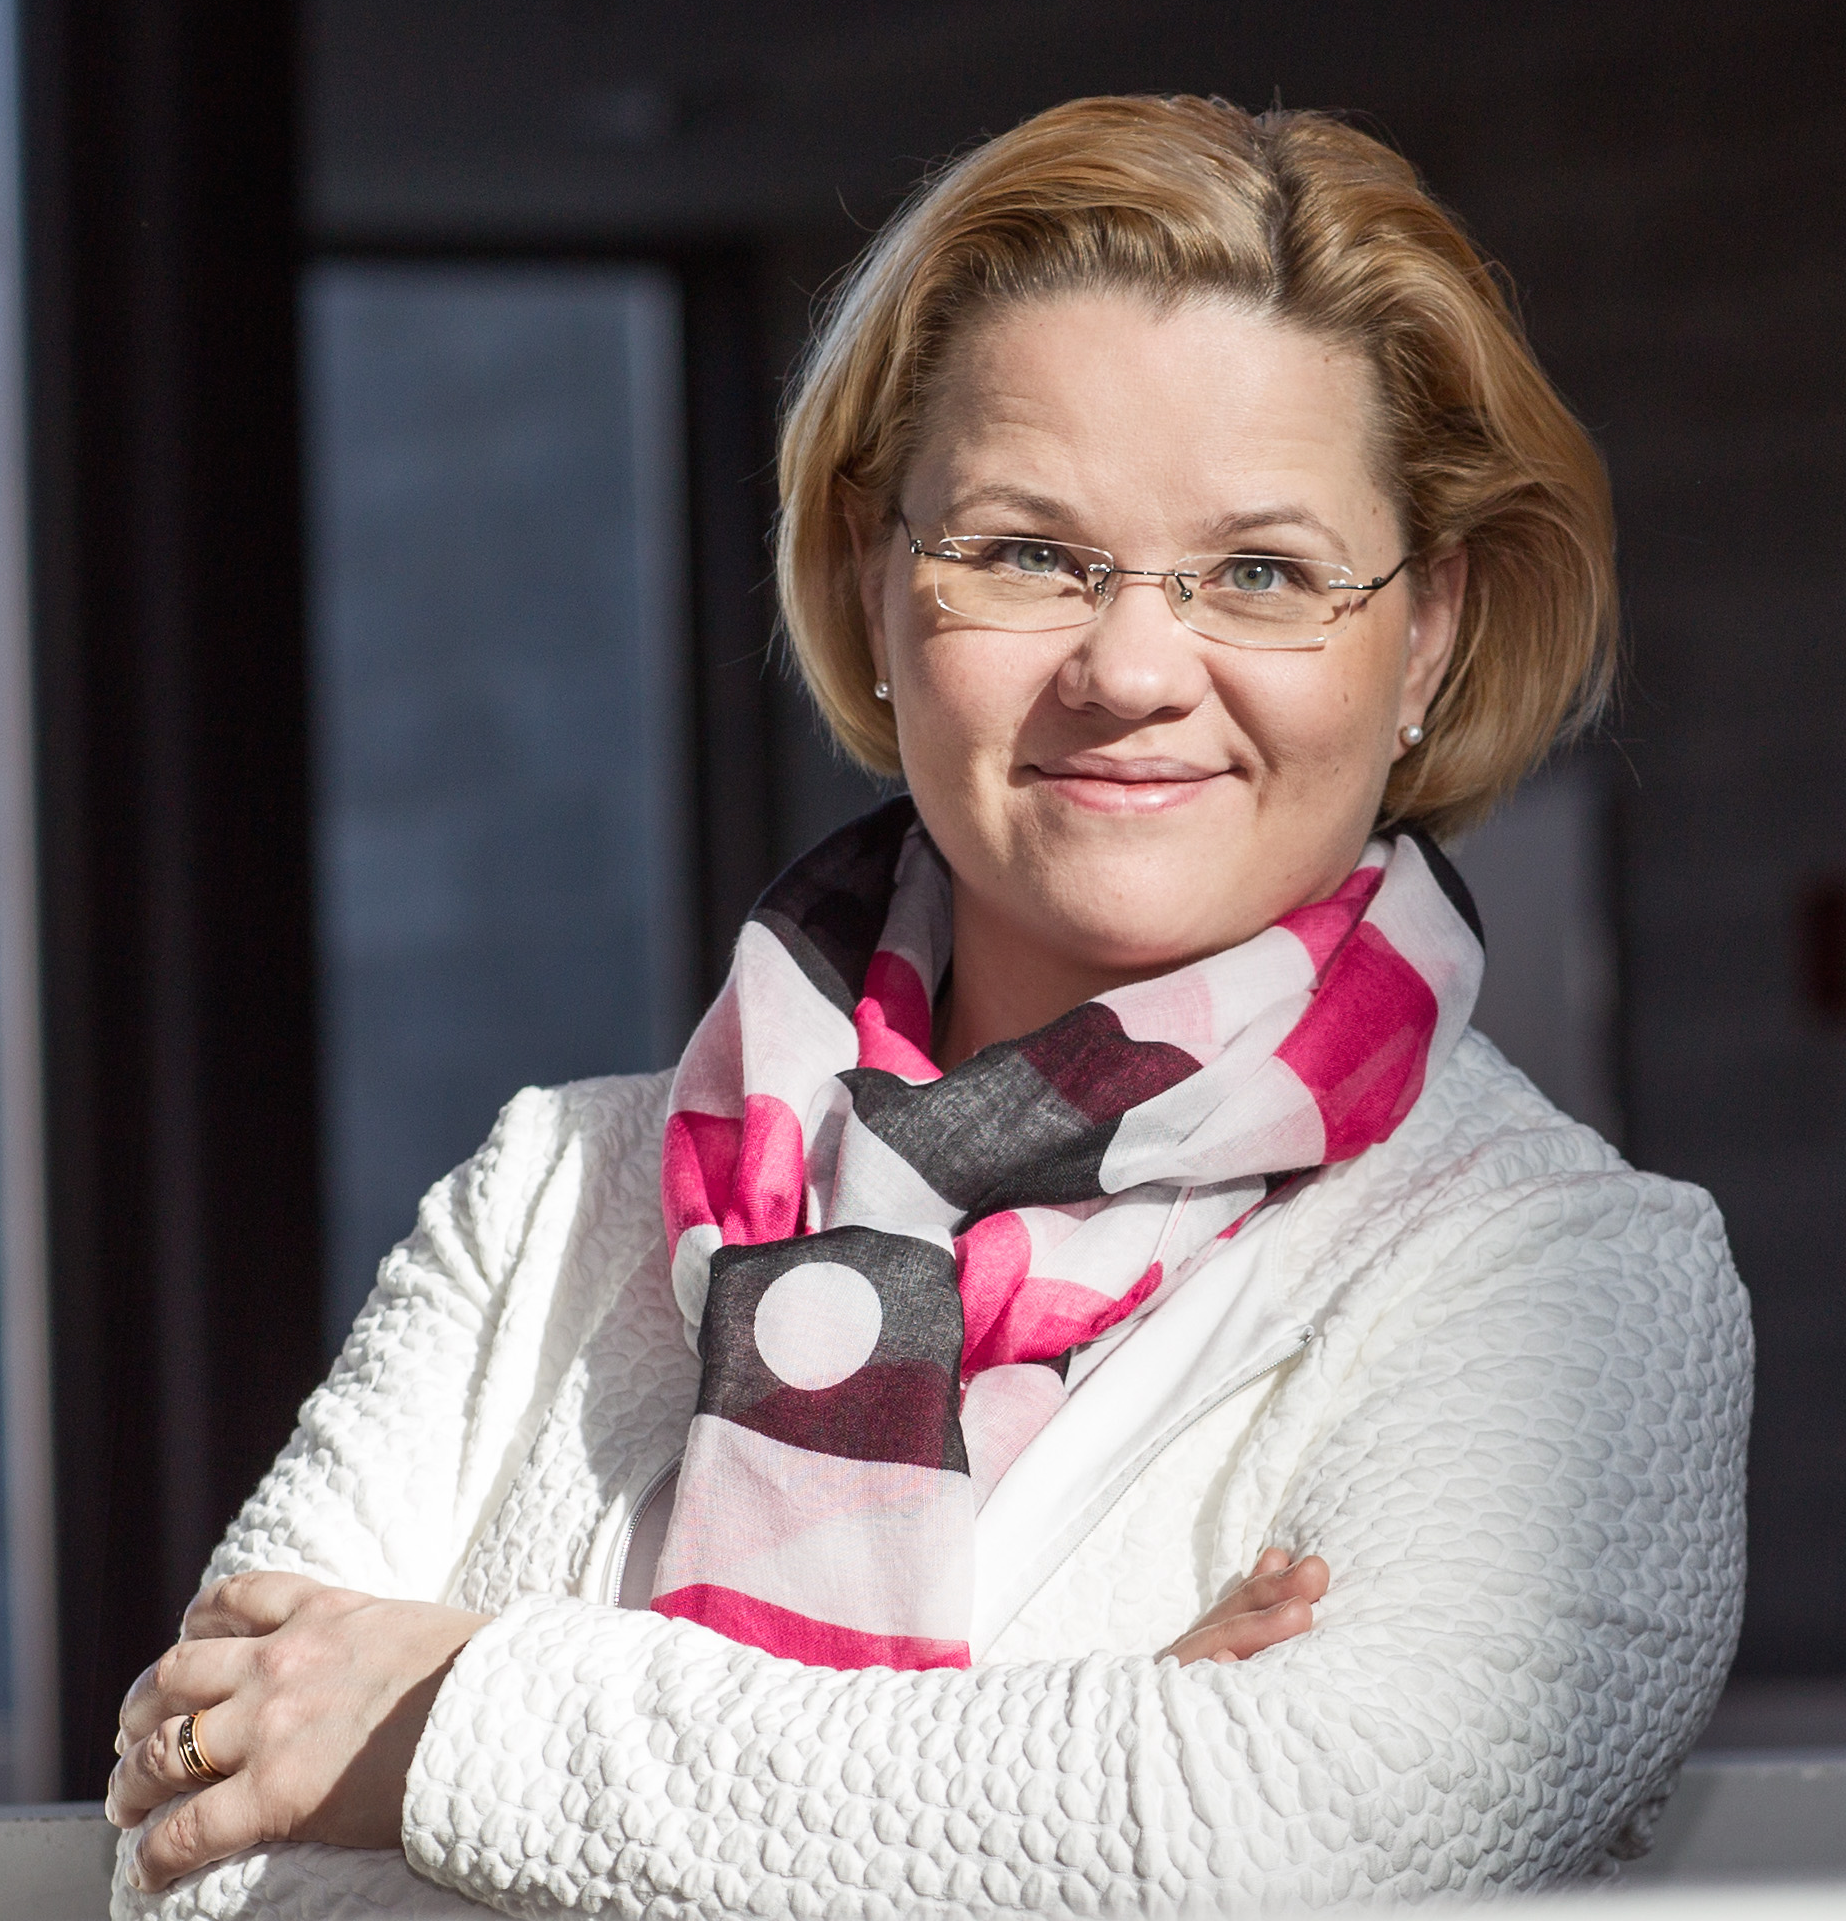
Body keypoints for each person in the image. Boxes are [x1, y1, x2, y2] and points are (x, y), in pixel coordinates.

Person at [105, 94, 1749, 1917]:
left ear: (1423, 631)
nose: (1132, 667)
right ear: (869, 578)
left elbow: (1302, 1836)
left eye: (1260, 573)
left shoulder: (1572, 1281)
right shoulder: (550, 1198)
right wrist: (1056, 1781)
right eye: (1026, 552)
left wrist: (446, 1726)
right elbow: (191, 1855)